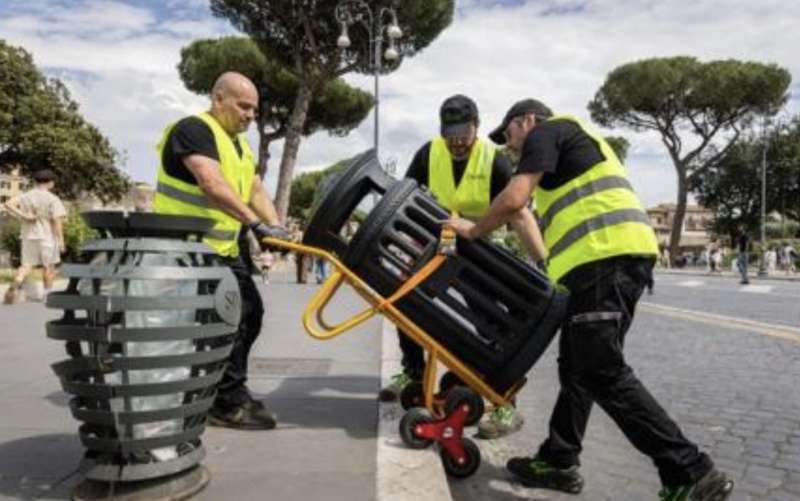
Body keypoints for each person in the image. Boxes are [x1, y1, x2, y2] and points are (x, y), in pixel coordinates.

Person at [446, 98, 733, 500]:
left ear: (527, 120)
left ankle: (689, 471)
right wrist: (543, 265)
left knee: (601, 368)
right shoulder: (567, 151)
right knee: (578, 368)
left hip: (605, 259)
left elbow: (513, 200)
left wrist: (474, 230)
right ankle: (559, 460)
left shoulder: (549, 130)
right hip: (603, 263)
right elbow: (525, 217)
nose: (509, 146)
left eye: (509, 135)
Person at [378, 94, 548, 440]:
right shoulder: (429, 153)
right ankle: (412, 372)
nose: (456, 142)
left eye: (462, 134)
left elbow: (517, 212)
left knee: (490, 322)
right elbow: (404, 195)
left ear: (477, 127)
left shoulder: (494, 160)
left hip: (479, 248)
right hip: (434, 243)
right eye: (449, 134)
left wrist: (539, 260)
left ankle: (505, 403)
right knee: (405, 303)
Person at [154, 71, 291, 430]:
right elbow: (211, 184)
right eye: (244, 106)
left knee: (246, 315)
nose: (250, 115)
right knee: (234, 317)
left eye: (255, 111)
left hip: (223, 248)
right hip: (188, 247)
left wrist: (274, 227)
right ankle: (224, 400)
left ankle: (219, 392)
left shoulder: (240, 145)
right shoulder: (194, 130)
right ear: (218, 99)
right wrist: (254, 224)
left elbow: (256, 190)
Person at [3, 169, 66, 304]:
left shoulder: (26, 196)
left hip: (28, 236)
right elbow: (56, 221)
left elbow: (7, 204)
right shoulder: (52, 199)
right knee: (48, 266)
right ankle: (46, 296)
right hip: (47, 237)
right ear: (50, 183)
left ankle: (15, 285)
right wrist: (61, 241)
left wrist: (24, 216)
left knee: (26, 266)